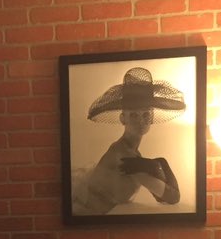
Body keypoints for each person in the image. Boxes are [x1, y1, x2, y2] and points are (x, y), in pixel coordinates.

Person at [72, 66, 186, 215]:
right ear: (123, 118)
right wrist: (157, 164)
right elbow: (173, 197)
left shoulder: (133, 155)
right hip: (88, 217)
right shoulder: (124, 156)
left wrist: (159, 162)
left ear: (152, 118)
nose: (140, 121)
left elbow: (160, 197)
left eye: (146, 115)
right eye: (133, 115)